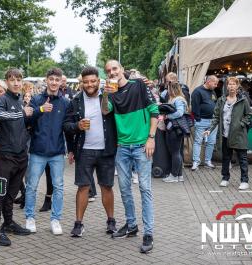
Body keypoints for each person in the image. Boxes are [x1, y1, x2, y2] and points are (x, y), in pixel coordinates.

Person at [102, 60, 158, 253]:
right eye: (108, 71)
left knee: (145, 188)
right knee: (125, 189)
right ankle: (131, 225)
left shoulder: (139, 86)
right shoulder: (111, 93)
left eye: (114, 68)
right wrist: (106, 93)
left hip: (142, 146)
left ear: (122, 69)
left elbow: (154, 112)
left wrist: (151, 138)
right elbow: (105, 110)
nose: (112, 72)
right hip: (122, 147)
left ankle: (148, 233)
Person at [63, 66, 117, 237]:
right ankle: (78, 224)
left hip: (106, 150)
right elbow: (66, 125)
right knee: (83, 187)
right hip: (84, 151)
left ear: (99, 81)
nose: (89, 84)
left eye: (93, 81)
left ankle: (111, 221)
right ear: (82, 83)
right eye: (86, 82)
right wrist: (77, 126)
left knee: (106, 187)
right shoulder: (76, 101)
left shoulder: (109, 97)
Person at [24, 67, 71, 235]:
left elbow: (67, 128)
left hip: (57, 152)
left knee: (58, 187)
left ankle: (55, 219)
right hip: (37, 151)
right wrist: (40, 110)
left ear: (60, 81)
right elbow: (26, 119)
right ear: (46, 80)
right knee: (31, 186)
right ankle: (30, 217)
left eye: (57, 80)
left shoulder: (65, 102)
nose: (54, 82)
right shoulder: (36, 99)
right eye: (51, 79)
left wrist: (71, 150)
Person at [0, 69, 32, 246]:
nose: (16, 83)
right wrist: (22, 113)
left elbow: (22, 124)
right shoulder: (3, 99)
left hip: (21, 157)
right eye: (12, 80)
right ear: (7, 81)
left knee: (12, 194)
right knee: (0, 193)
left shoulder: (20, 100)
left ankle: (8, 223)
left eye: (19, 80)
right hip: (6, 158)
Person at [204, 77, 251, 190]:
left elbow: (248, 115)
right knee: (226, 158)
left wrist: (241, 124)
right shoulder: (221, 100)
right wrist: (210, 129)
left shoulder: (243, 100)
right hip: (225, 134)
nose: (231, 86)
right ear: (226, 86)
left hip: (239, 134)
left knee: (242, 158)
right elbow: (216, 117)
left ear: (237, 86)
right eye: (229, 84)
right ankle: (225, 178)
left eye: (233, 84)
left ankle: (244, 181)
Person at [191, 75, 219, 171]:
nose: (216, 86)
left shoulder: (212, 91)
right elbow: (194, 106)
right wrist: (198, 119)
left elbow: (214, 102)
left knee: (211, 142)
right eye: (215, 83)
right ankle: (196, 162)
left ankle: (208, 161)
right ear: (209, 81)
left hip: (213, 121)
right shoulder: (197, 91)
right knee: (198, 141)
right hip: (201, 120)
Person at [162, 81, 188, 183]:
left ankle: (174, 175)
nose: (167, 90)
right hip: (175, 128)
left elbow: (180, 112)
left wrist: (167, 116)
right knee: (177, 152)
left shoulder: (178, 99)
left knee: (175, 152)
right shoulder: (178, 98)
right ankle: (179, 175)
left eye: (168, 88)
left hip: (175, 128)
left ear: (172, 89)